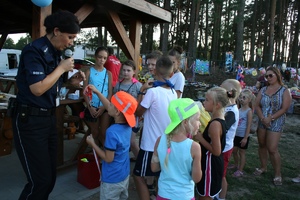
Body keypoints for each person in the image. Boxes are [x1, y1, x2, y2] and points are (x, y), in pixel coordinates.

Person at [11, 10, 81, 199]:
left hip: (48, 119)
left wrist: (69, 82)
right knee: (39, 181)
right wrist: (61, 68)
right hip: (30, 121)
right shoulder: (34, 50)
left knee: (49, 179)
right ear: (56, 31)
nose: (71, 42)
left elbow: (52, 84)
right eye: (70, 37)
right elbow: (37, 89)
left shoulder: (56, 52)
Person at [133, 56, 177, 200]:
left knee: (138, 176)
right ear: (171, 74)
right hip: (166, 144)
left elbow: (138, 112)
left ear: (155, 71)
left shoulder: (153, 92)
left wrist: (142, 91)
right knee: (161, 176)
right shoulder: (173, 93)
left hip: (150, 145)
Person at [86, 87, 138, 200]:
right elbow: (112, 106)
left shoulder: (111, 132)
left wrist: (93, 144)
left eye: (110, 105)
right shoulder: (128, 126)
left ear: (117, 112)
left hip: (112, 179)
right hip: (123, 176)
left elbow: (108, 158)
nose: (107, 105)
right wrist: (98, 92)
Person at [151, 98, 202, 200]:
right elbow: (196, 178)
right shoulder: (194, 147)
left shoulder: (160, 140)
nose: (199, 123)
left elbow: (154, 168)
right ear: (185, 122)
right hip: (184, 196)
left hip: (163, 194)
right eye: (197, 119)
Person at [253, 67, 292, 186]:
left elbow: (285, 108)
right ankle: (263, 167)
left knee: (272, 148)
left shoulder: (284, 90)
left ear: (277, 75)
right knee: (262, 145)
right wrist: (262, 118)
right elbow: (257, 105)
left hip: (276, 122)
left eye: (271, 76)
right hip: (262, 121)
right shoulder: (263, 89)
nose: (268, 78)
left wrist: (271, 118)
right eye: (267, 76)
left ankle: (277, 174)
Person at [195, 87, 234, 200]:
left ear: (217, 105)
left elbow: (217, 151)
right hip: (210, 164)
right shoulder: (217, 119)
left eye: (207, 100)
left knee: (205, 195)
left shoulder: (215, 124)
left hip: (210, 165)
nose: (204, 102)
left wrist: (200, 138)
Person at [83, 47, 113, 147]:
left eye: (105, 58)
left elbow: (110, 93)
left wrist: (104, 107)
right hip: (93, 106)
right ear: (95, 57)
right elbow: (85, 92)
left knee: (104, 133)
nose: (102, 60)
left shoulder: (108, 73)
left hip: (104, 107)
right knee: (94, 133)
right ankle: (95, 156)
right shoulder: (89, 71)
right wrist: (89, 107)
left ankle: (105, 156)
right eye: (100, 57)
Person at [113, 60, 142, 160]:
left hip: (133, 118)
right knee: (123, 141)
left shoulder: (138, 86)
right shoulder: (118, 85)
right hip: (120, 118)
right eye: (124, 70)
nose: (125, 72)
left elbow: (141, 102)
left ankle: (140, 163)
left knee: (132, 142)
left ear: (134, 71)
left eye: (128, 70)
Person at [217, 79, 240, 200]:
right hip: (220, 146)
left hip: (224, 148)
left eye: (222, 89)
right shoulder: (226, 107)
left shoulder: (232, 111)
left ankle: (222, 197)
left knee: (222, 175)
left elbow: (222, 127)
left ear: (230, 92)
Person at [232, 89, 255, 177]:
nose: (241, 99)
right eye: (240, 97)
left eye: (244, 98)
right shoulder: (239, 109)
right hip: (236, 134)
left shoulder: (249, 111)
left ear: (249, 99)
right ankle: (235, 164)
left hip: (243, 135)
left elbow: (249, 125)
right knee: (234, 151)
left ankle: (240, 170)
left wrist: (245, 138)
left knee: (242, 152)